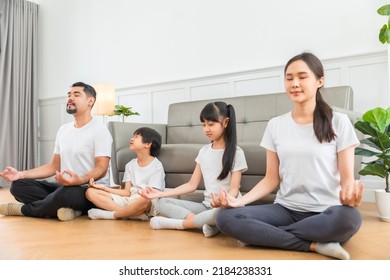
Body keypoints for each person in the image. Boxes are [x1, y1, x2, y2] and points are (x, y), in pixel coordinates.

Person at [213, 52, 364, 260]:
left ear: (320, 81)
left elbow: (347, 181)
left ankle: (267, 235)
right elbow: (271, 179)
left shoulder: (339, 122)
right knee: (226, 218)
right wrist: (239, 202)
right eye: (289, 77)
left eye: (302, 77)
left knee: (350, 218)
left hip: (327, 211)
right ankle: (313, 245)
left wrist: (350, 195)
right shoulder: (275, 125)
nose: (294, 83)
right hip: (285, 209)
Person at [0, 82, 112, 221]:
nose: (70, 98)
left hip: (90, 190)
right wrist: (21, 174)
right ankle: (68, 209)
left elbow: (101, 169)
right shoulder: (63, 130)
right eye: (69, 95)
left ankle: (23, 210)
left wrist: (79, 180)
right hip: (63, 188)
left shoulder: (100, 130)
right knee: (18, 186)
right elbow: (54, 166)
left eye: (76, 95)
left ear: (90, 101)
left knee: (66, 194)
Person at [139, 101, 247, 238]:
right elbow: (192, 185)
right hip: (206, 206)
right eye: (204, 125)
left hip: (226, 206)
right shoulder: (204, 151)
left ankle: (180, 224)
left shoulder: (237, 152)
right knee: (159, 202)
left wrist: (225, 201)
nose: (206, 129)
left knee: (222, 213)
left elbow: (234, 190)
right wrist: (160, 194)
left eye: (211, 124)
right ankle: (202, 222)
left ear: (225, 123)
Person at [86, 127, 165, 220]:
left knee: (145, 201)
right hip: (129, 200)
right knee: (90, 192)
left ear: (147, 144)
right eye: (133, 136)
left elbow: (152, 196)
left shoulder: (157, 166)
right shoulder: (130, 165)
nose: (132, 139)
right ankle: (132, 214)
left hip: (144, 202)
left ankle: (112, 215)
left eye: (136, 137)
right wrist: (104, 188)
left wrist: (139, 199)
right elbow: (126, 192)